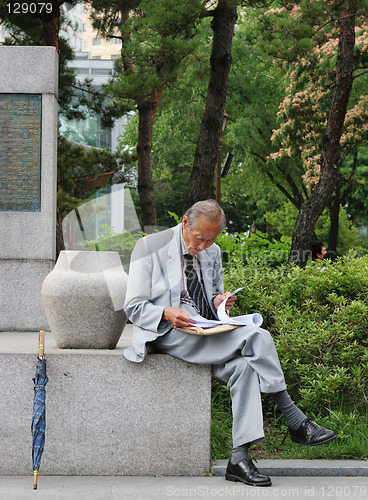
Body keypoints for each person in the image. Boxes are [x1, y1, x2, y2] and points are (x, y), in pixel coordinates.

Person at [123, 200, 336, 487]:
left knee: (243, 369)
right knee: (257, 335)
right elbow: (133, 306)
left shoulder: (213, 252)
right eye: (200, 238)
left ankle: (239, 458)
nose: (204, 246)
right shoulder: (150, 246)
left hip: (206, 331)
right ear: (185, 224)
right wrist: (165, 312)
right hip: (168, 332)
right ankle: (295, 419)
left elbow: (210, 299)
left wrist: (219, 302)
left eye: (212, 240)